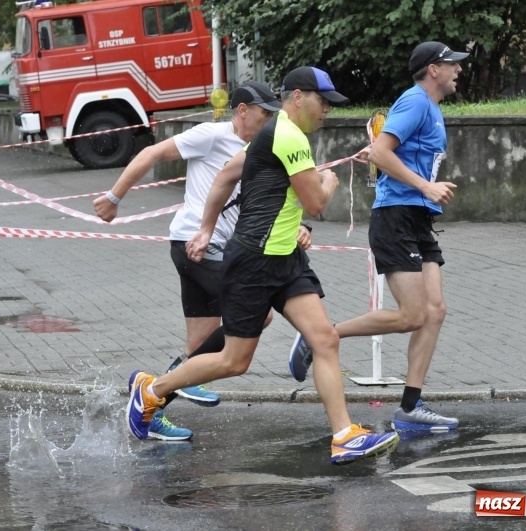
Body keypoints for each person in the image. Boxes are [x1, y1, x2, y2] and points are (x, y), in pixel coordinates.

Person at [126, 66, 400, 465]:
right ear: (299, 97)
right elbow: (316, 204)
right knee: (233, 362)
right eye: (323, 102)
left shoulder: (275, 135)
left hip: (285, 258)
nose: (327, 110)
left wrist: (205, 230)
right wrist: (328, 180)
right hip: (254, 261)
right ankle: (151, 391)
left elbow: (225, 175)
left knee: (324, 338)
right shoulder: (288, 136)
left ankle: (344, 435)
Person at [95, 81, 300, 441]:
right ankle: (157, 386)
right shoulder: (211, 135)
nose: (269, 120)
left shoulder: (263, 147)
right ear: (242, 110)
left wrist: (304, 226)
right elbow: (152, 153)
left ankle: (150, 408)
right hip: (196, 245)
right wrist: (114, 196)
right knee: (260, 313)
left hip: (211, 250)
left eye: (273, 114)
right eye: (264, 112)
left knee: (200, 347)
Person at [289, 41, 468, 435]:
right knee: (411, 315)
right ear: (432, 70)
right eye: (451, 64)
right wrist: (427, 186)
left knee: (435, 311)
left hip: (418, 218)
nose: (458, 69)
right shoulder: (415, 102)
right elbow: (380, 152)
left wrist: (427, 193)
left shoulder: (432, 108)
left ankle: (410, 407)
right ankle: (323, 334)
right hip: (396, 217)